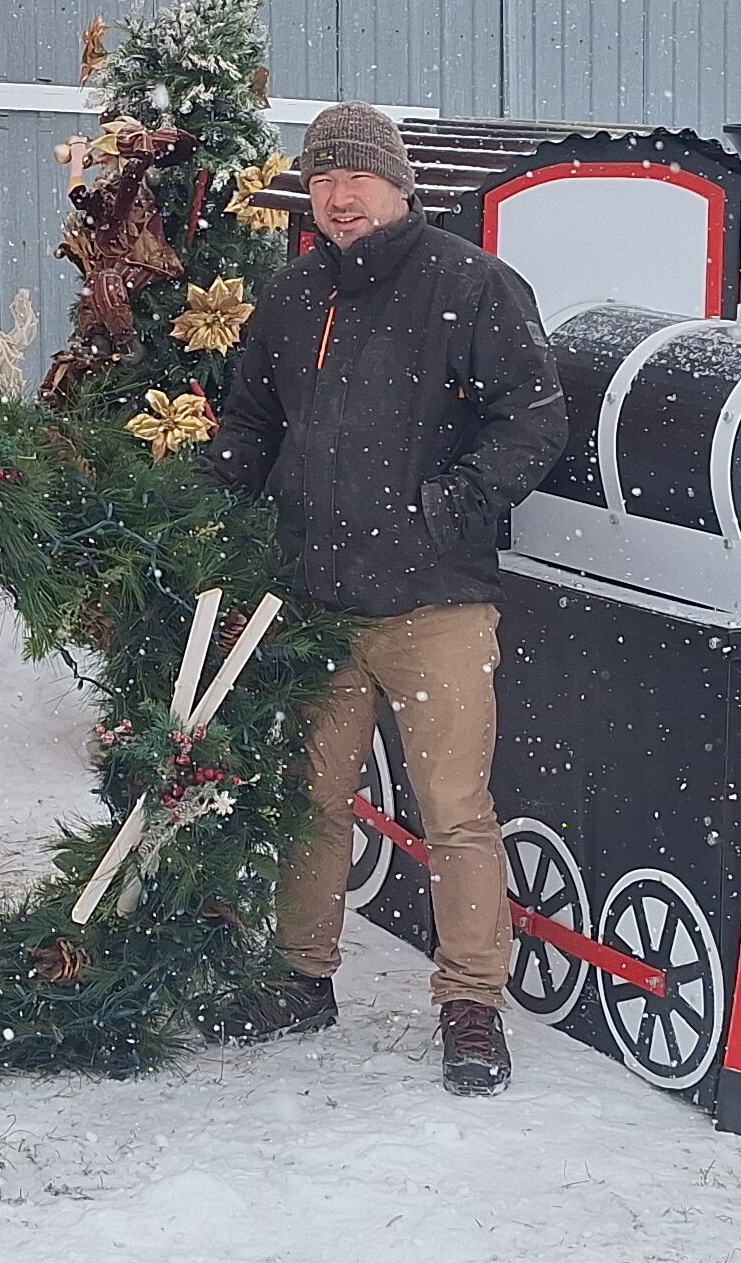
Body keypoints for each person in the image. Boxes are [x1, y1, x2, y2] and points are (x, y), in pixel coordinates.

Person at [209, 102, 567, 1095]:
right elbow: (252, 422)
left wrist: (450, 504)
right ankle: (300, 977)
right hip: (317, 602)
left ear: (400, 187)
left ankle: (471, 1006)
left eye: (356, 177)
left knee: (455, 810)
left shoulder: (471, 285)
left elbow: (532, 420)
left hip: (433, 606)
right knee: (312, 801)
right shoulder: (293, 296)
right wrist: (206, 506)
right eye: (324, 178)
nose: (338, 195)